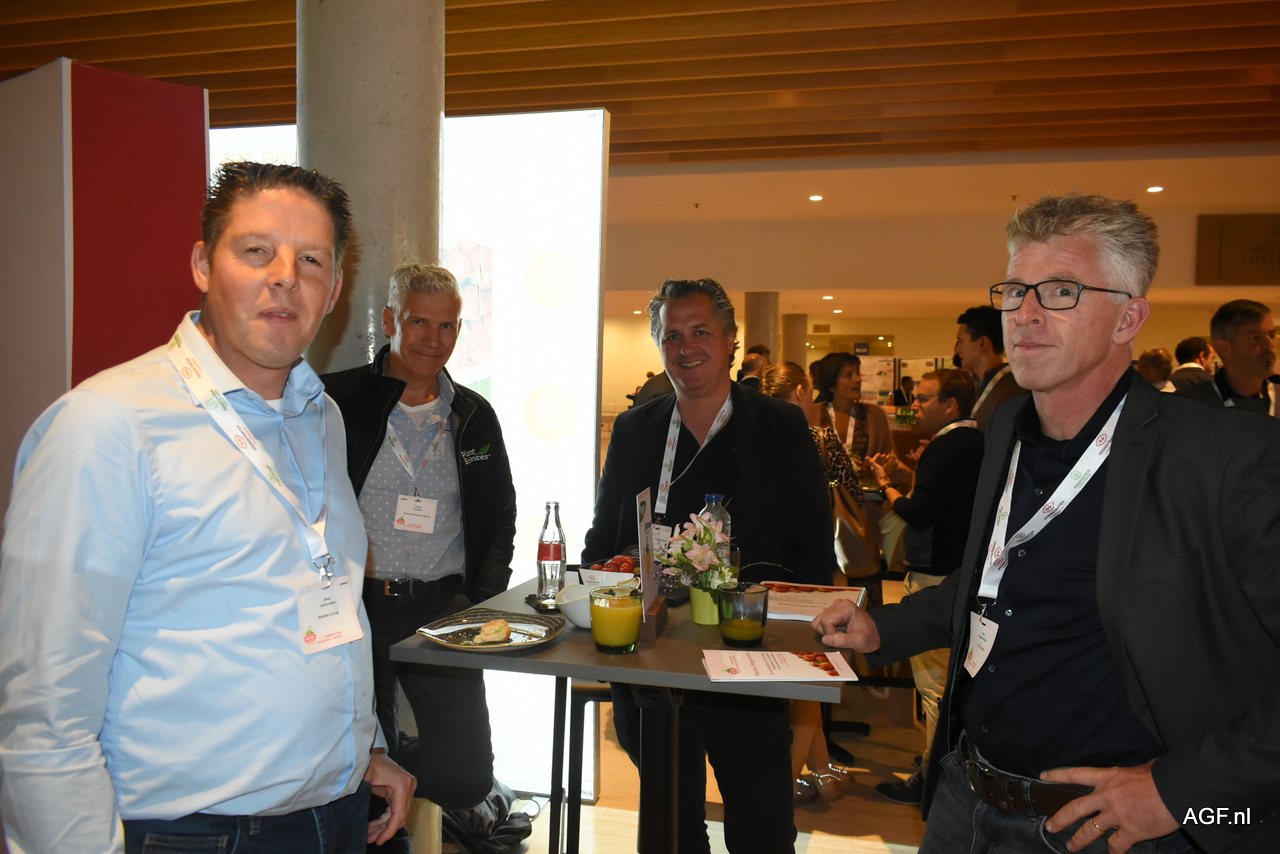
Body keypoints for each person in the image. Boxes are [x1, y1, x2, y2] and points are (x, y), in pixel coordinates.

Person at [814, 192, 1280, 853]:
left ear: (1128, 318)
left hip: (1113, 830)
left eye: (1062, 291)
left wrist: (1178, 791)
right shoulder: (1007, 428)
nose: (1025, 314)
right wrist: (881, 627)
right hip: (966, 800)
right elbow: (993, 580)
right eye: (1015, 291)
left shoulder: (1225, 457)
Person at [0, 162, 415, 853]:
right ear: (202, 264)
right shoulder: (108, 426)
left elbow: (307, 608)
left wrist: (358, 749)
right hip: (196, 834)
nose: (285, 276)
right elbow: (43, 708)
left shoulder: (323, 418)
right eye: (256, 250)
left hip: (335, 816)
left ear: (335, 290)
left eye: (311, 260)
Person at [583, 278, 837, 854]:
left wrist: (797, 638)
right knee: (671, 830)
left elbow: (812, 550)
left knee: (762, 829)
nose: (686, 347)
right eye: (672, 335)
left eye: (700, 331)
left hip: (749, 660)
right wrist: (604, 583)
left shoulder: (780, 425)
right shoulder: (636, 429)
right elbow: (604, 539)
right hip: (655, 664)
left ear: (730, 340)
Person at [321, 264, 517, 844]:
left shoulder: (473, 415)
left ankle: (385, 765)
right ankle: (372, 787)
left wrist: (481, 601)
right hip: (357, 609)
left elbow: (499, 516)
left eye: (447, 326)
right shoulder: (336, 400)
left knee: (465, 775)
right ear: (390, 320)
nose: (434, 340)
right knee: (356, 772)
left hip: (442, 611)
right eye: (418, 323)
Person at [864, 369, 983, 807]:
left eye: (924, 398)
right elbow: (951, 497)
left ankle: (931, 780)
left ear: (950, 404)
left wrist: (885, 485)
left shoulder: (945, 446)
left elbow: (918, 512)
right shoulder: (978, 441)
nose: (914, 406)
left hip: (935, 575)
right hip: (960, 570)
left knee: (933, 689)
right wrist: (909, 469)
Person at [759, 361, 860, 804]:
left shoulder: (754, 433)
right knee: (810, 674)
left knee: (799, 675)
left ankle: (821, 769)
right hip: (813, 569)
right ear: (800, 391)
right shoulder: (816, 435)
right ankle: (783, 786)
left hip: (769, 569)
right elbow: (851, 488)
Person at [1176, 299, 1278, 416]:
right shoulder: (1185, 405)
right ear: (1223, 348)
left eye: (1272, 335)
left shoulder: (1276, 398)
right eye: (1255, 337)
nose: (1270, 345)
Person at [954, 304, 1026, 429]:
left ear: (982, 343)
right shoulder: (981, 386)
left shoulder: (1011, 390)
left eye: (961, 341)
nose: (957, 350)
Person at [812, 352, 891, 459]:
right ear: (831, 385)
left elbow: (889, 459)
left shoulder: (875, 414)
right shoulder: (813, 414)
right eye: (848, 375)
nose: (858, 379)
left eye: (857, 373)